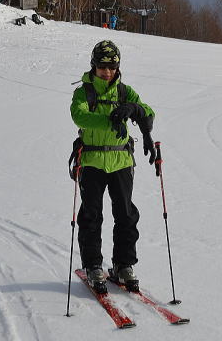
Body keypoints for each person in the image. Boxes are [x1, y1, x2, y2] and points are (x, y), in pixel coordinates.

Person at [70, 40, 155, 292]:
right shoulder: (83, 92)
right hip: (93, 162)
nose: (107, 71)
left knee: (126, 214)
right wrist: (111, 120)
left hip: (121, 162)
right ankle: (93, 265)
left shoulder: (124, 92)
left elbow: (148, 112)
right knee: (91, 215)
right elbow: (79, 115)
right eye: (102, 66)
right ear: (93, 66)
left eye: (112, 66)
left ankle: (123, 265)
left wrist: (134, 108)